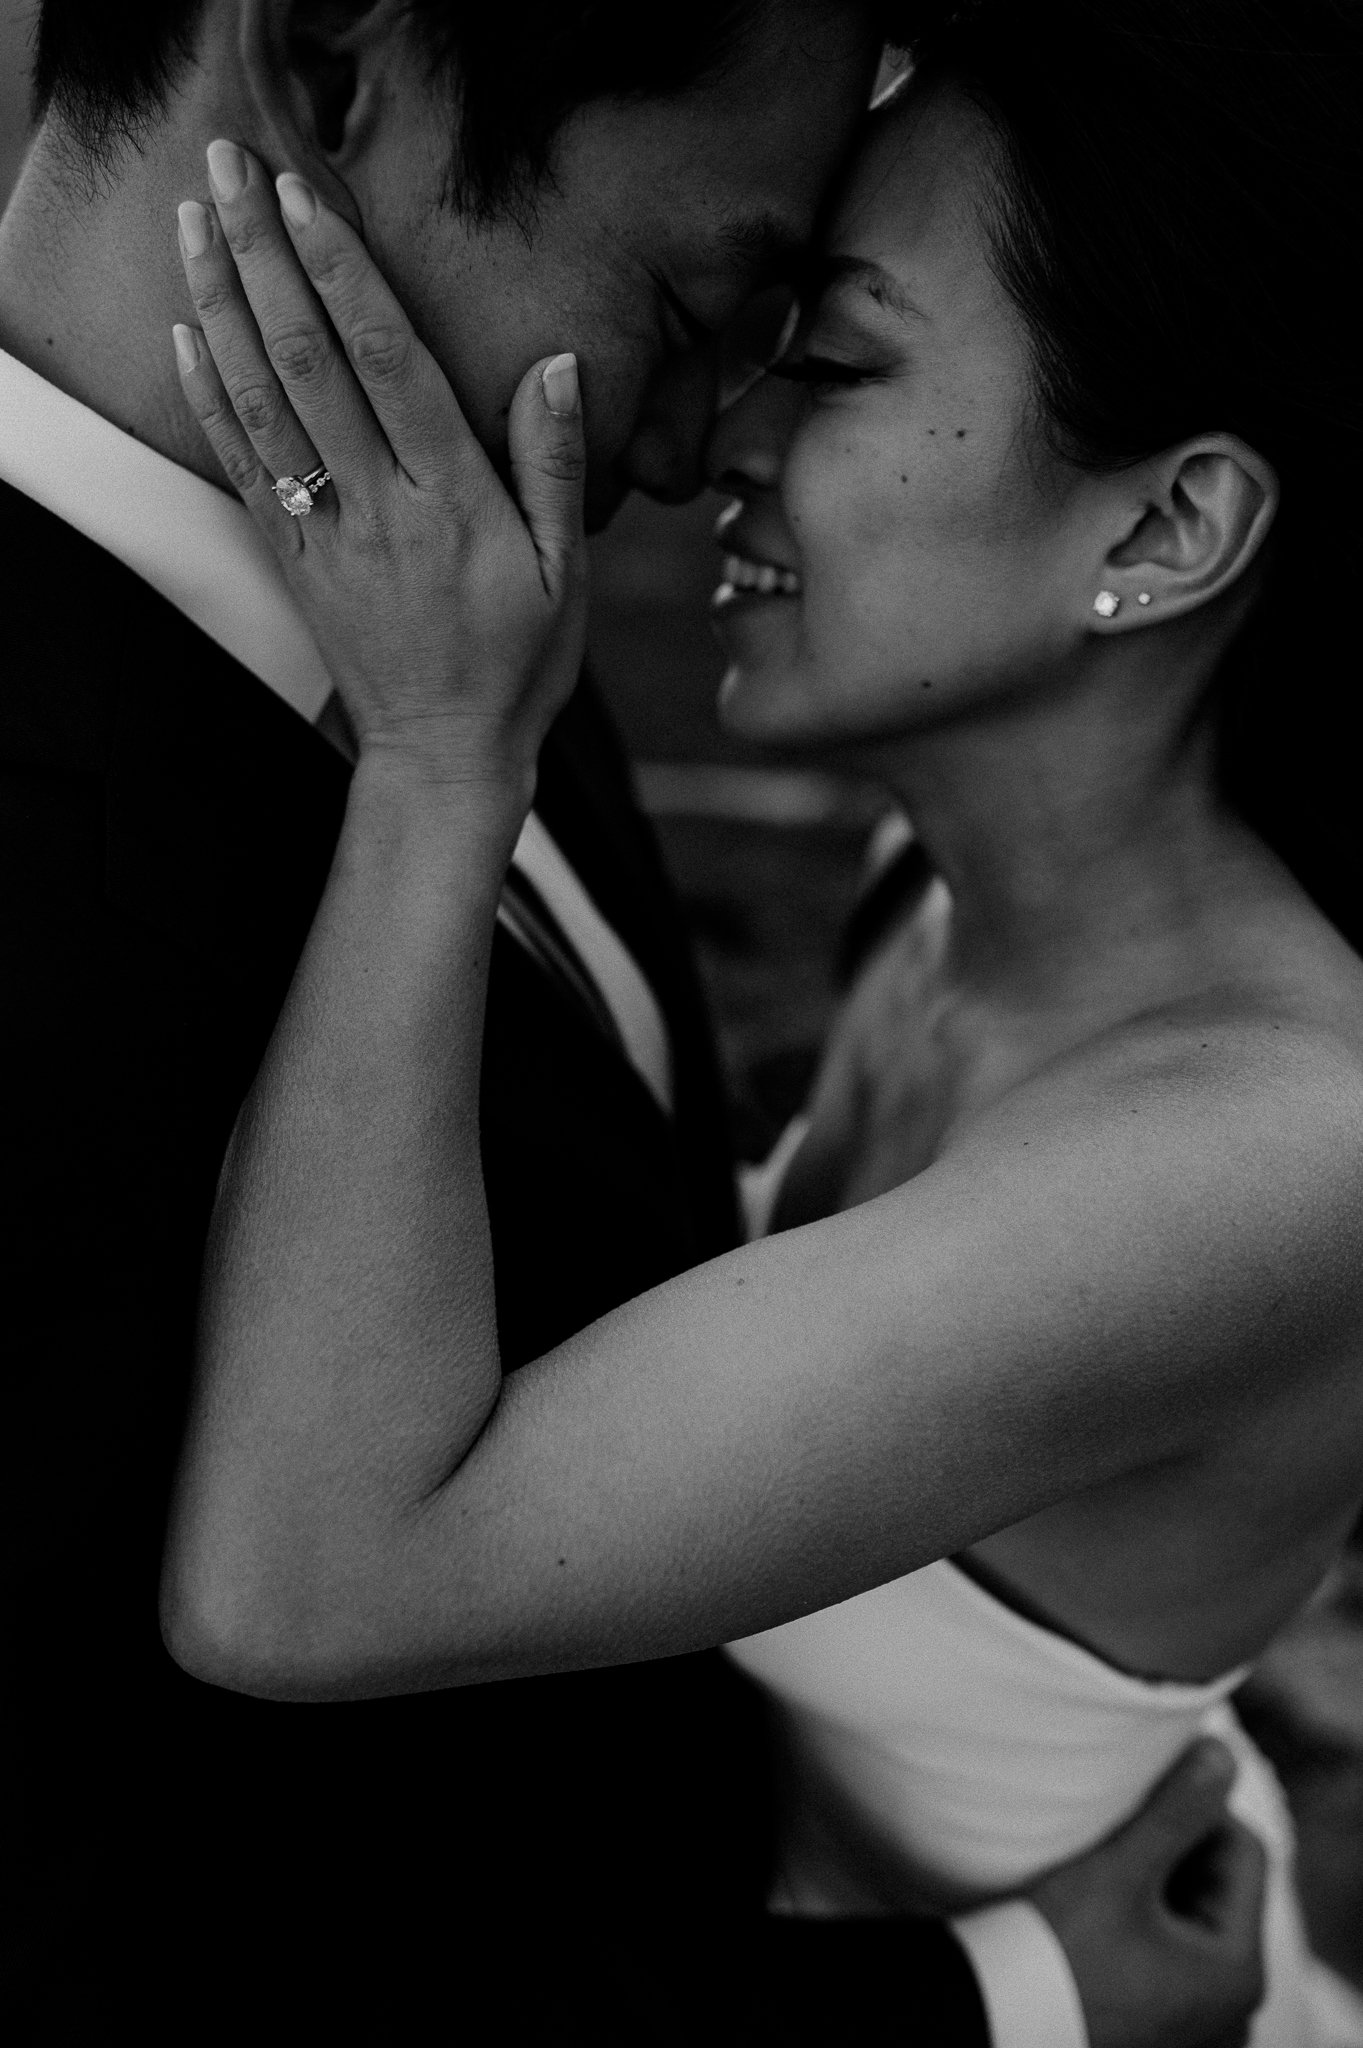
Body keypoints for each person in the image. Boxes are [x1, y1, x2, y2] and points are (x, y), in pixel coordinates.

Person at [0, 1, 1264, 2041]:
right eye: (698, 306)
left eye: (811, 348)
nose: (690, 453)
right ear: (322, 73)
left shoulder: (460, 575)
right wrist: (995, 2001)